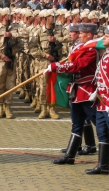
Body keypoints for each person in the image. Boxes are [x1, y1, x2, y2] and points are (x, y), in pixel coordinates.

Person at [45, 23, 98, 165]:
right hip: (78, 91)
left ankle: (99, 154)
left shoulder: (91, 50)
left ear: (89, 34)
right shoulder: (81, 48)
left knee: (99, 123)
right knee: (77, 124)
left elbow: (78, 65)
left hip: (87, 91)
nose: (78, 35)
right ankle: (70, 156)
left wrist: (56, 66)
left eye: (81, 33)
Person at [85, 27, 109, 174]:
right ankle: (104, 164)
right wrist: (96, 92)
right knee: (102, 132)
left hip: (108, 102)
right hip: (101, 101)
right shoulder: (105, 56)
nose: (104, 37)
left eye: (107, 35)